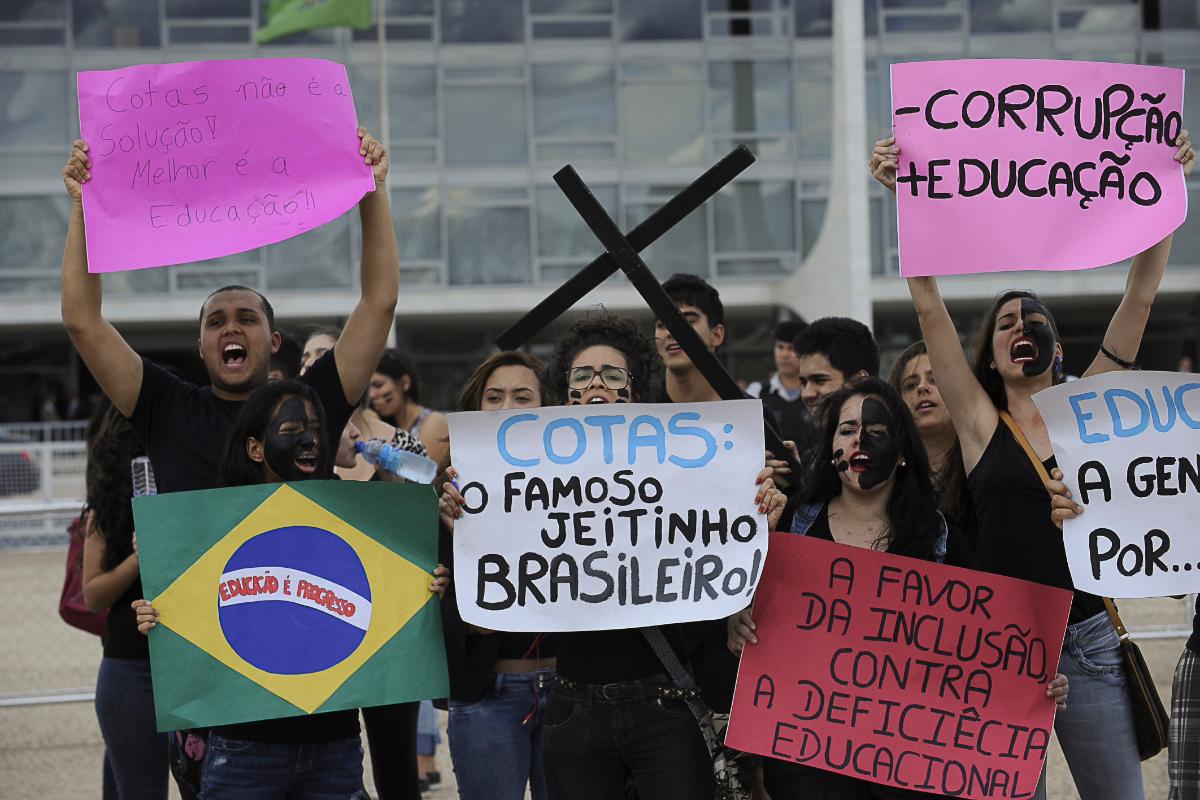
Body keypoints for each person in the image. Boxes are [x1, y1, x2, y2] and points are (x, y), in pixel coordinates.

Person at [61, 128, 399, 795]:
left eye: (244, 317)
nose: (229, 328)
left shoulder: (317, 399)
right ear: (201, 344)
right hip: (221, 713)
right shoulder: (164, 405)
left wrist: (374, 193)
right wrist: (81, 204)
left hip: (319, 702)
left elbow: (379, 302)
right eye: (215, 320)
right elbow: (81, 320)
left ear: (271, 342)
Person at [871, 129, 1195, 800]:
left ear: (1055, 342)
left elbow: (1139, 295)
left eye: (1035, 318)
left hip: (1089, 639)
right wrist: (905, 199)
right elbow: (928, 304)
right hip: (997, 647)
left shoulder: (1094, 403)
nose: (1023, 326)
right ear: (988, 356)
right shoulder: (978, 420)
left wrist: (1165, 193)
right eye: (1007, 322)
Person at [446, 313, 783, 800]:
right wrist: (466, 520)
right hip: (571, 705)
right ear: (566, 395)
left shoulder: (680, 468)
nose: (597, 385)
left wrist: (758, 517)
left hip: (664, 706)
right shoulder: (525, 478)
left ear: (634, 391)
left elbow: (716, 557)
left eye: (612, 374)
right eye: (582, 376)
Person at [728, 378, 1067, 799]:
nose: (859, 441)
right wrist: (738, 621)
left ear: (903, 453)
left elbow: (985, 645)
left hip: (908, 767)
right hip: (808, 764)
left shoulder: (939, 539)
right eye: (847, 430)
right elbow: (752, 619)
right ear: (829, 444)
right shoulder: (791, 525)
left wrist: (1033, 681)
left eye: (877, 432)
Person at [132, 380, 448, 800]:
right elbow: (186, 613)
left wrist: (426, 584)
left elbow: (399, 572)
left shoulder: (352, 511)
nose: (308, 440)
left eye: (316, 428)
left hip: (334, 743)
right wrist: (155, 614)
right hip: (245, 746)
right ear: (255, 448)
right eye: (290, 429)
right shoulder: (209, 524)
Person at [437, 351, 556, 800]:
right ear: (476, 408)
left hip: (568, 692)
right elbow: (431, 591)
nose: (507, 407)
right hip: (488, 691)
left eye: (523, 397)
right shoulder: (447, 488)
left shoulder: (584, 484)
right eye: (494, 397)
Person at [82, 399, 169, 799]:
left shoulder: (191, 484)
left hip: (191, 661)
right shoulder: (106, 508)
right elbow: (94, 592)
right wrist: (139, 556)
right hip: (131, 669)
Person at [888, 341, 974, 552]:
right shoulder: (887, 476)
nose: (922, 388)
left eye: (935, 380)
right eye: (910, 385)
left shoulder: (987, 465)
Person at [370, 349, 450, 470]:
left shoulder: (433, 422)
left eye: (378, 385)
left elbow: (422, 478)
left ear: (405, 383)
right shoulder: (393, 427)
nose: (372, 395)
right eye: (368, 390)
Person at [793, 317, 880, 423]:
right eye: (803, 383)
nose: (806, 394)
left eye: (819, 380)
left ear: (860, 381)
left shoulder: (895, 436)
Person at [747, 319, 815, 449]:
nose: (784, 354)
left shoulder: (817, 392)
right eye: (780, 347)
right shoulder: (757, 392)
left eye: (791, 348)